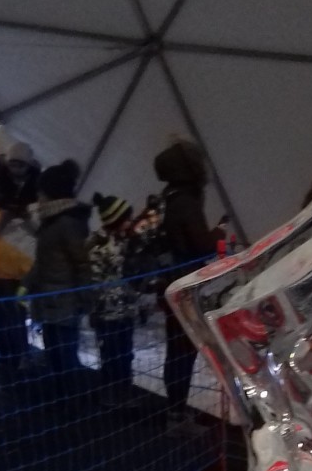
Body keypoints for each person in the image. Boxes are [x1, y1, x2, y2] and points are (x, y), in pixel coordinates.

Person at [153, 138, 224, 420]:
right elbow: (201, 245)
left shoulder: (169, 198)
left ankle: (175, 411)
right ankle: (177, 414)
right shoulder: (185, 202)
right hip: (184, 287)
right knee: (183, 351)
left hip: (170, 283)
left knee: (176, 350)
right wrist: (219, 233)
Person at [0, 137, 39, 372]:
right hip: (3, 261)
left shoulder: (38, 188)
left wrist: (26, 215)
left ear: (29, 165)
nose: (16, 169)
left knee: (18, 310)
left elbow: (43, 224)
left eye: (20, 164)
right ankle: (10, 352)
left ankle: (20, 352)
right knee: (6, 309)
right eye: (13, 163)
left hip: (27, 262)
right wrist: (3, 215)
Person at [25, 160, 90, 376]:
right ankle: (62, 390)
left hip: (64, 302)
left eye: (41, 193)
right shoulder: (50, 222)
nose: (38, 198)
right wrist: (27, 284)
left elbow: (81, 263)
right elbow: (44, 260)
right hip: (50, 302)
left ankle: (71, 392)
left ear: (51, 194)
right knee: (54, 354)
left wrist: (85, 298)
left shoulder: (65, 223)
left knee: (65, 356)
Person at [88, 192, 141, 393]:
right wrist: (98, 307)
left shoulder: (124, 240)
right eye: (126, 219)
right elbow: (94, 281)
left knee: (126, 353)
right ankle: (111, 393)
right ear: (115, 220)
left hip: (125, 309)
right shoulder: (98, 246)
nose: (130, 222)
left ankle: (125, 391)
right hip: (107, 313)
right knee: (110, 354)